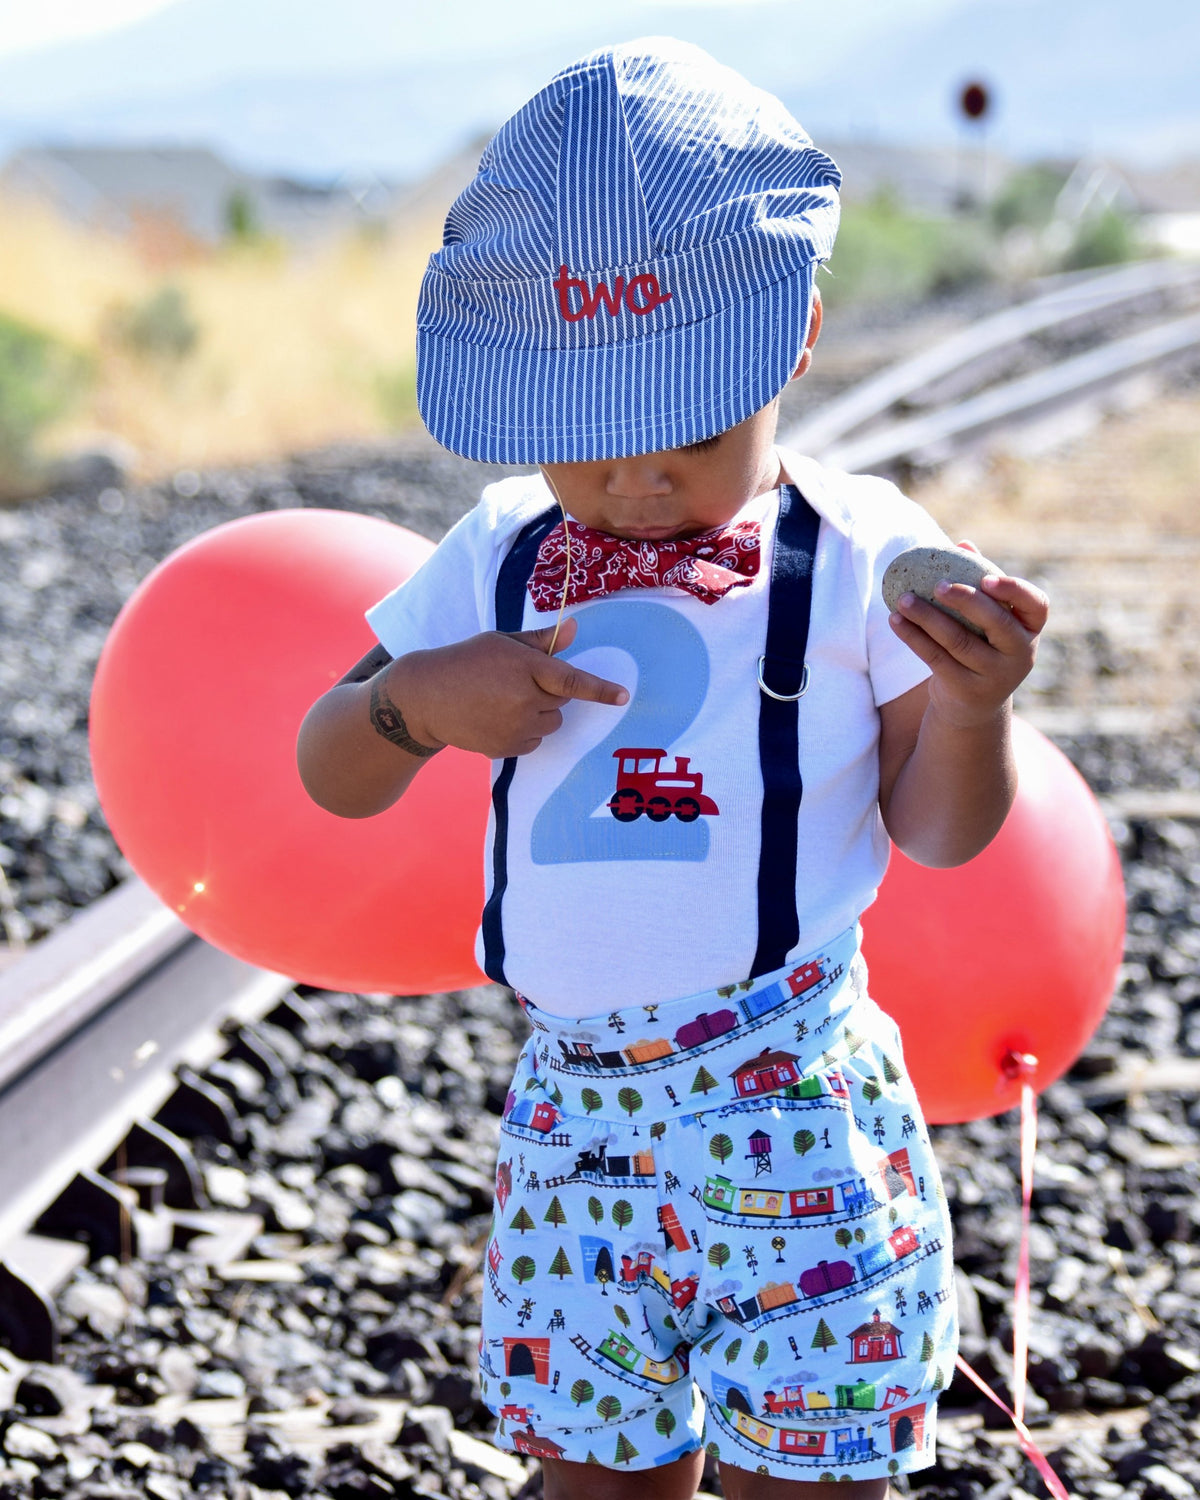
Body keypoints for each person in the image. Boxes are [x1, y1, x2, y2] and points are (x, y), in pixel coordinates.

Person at [297, 38, 1048, 1500]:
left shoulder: (862, 550)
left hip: (794, 1108)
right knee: (587, 1478)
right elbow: (332, 769)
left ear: (800, 336)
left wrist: (969, 711)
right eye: (591, 440)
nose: (640, 476)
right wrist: (414, 700)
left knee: (809, 1475)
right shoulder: (501, 549)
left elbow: (942, 836)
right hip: (572, 1117)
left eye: (693, 429)